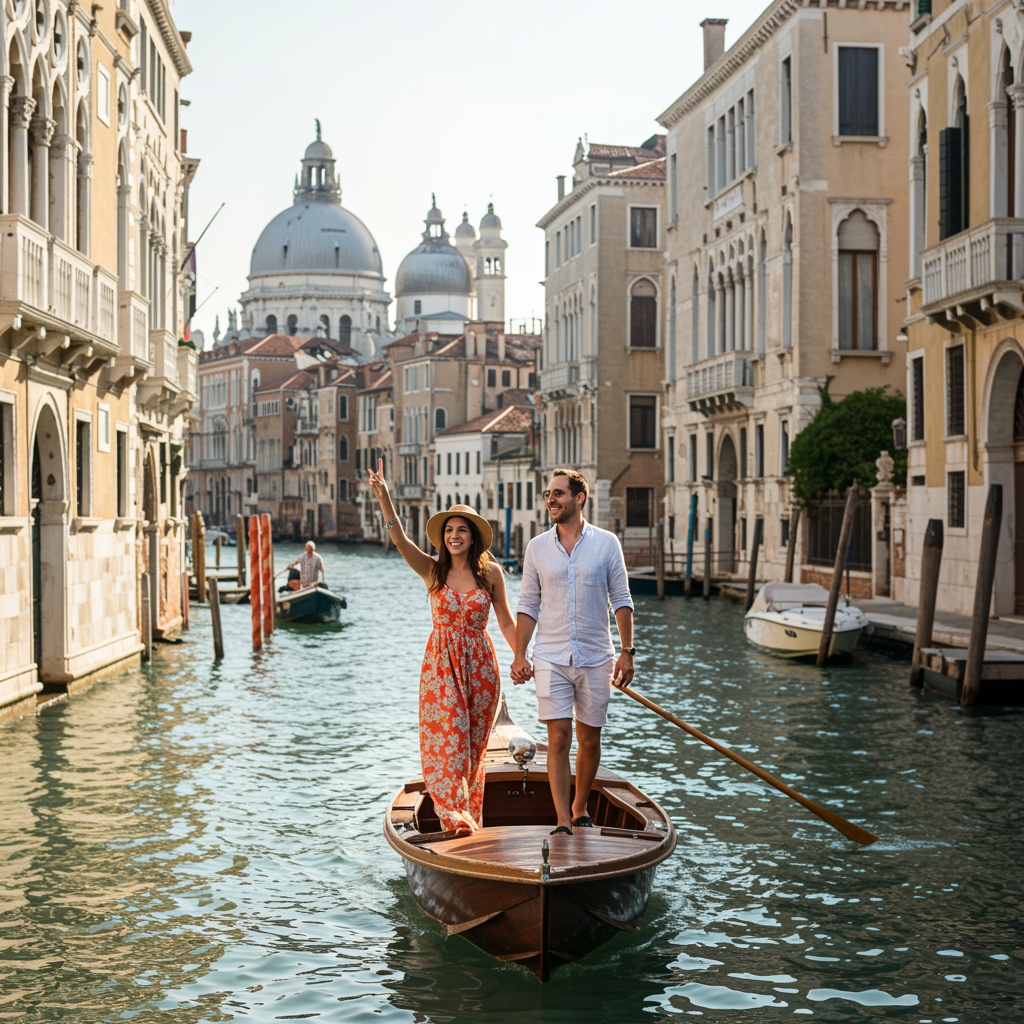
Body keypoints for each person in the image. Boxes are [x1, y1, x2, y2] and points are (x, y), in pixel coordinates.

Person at [368, 457, 516, 834]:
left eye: (462, 530)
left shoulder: (492, 574)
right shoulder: (432, 570)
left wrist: (521, 658)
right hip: (441, 667)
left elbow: (505, 621)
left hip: (483, 668)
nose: (455, 535)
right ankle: (453, 817)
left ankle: (469, 816)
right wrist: (385, 497)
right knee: (448, 741)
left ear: (473, 536)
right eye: (449, 530)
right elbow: (399, 539)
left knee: (472, 751)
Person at [510, 469, 635, 837]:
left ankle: (581, 807)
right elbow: (528, 605)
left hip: (597, 657)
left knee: (590, 739)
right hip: (549, 656)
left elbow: (622, 600)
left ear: (579, 498)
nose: (551, 499)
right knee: (559, 738)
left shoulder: (607, 543)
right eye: (548, 493)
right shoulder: (536, 548)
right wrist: (520, 654)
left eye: (559, 493)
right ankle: (563, 819)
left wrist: (627, 652)